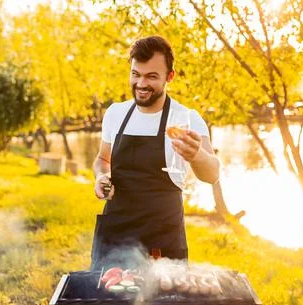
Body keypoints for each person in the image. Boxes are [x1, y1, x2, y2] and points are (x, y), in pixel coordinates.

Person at [91, 35, 220, 270]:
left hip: (163, 245)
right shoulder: (115, 114)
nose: (141, 84)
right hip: (114, 240)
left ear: (169, 76)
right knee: (104, 304)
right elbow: (102, 160)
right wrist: (101, 177)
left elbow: (212, 174)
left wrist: (197, 155)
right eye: (135, 74)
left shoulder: (186, 119)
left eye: (151, 76)